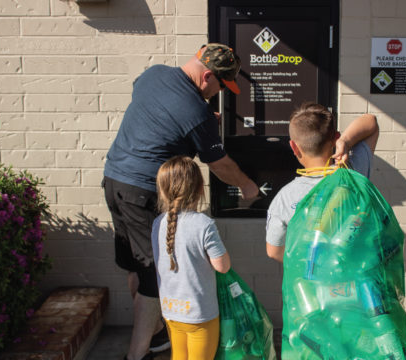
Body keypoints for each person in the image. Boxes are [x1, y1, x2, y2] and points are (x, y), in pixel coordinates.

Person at [103, 43, 258, 360]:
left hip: (114, 180)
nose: (216, 94)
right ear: (206, 77)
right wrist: (247, 185)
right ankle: (136, 354)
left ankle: (158, 336)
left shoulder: (153, 74)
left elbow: (157, 111)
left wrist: (192, 124)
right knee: (153, 279)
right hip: (145, 193)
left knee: (136, 266)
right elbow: (218, 164)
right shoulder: (197, 112)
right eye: (219, 86)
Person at [265, 102, 379, 262]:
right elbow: (371, 122)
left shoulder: (284, 197)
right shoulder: (351, 172)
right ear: (335, 138)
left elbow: (273, 251)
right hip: (355, 280)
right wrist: (345, 142)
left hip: (309, 283)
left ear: (293, 147)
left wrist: (313, 263)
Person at [151, 156, 231, 360]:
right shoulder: (203, 224)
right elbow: (222, 266)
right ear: (199, 189)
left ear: (162, 190)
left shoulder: (158, 223)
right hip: (200, 314)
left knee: (178, 356)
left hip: (170, 311)